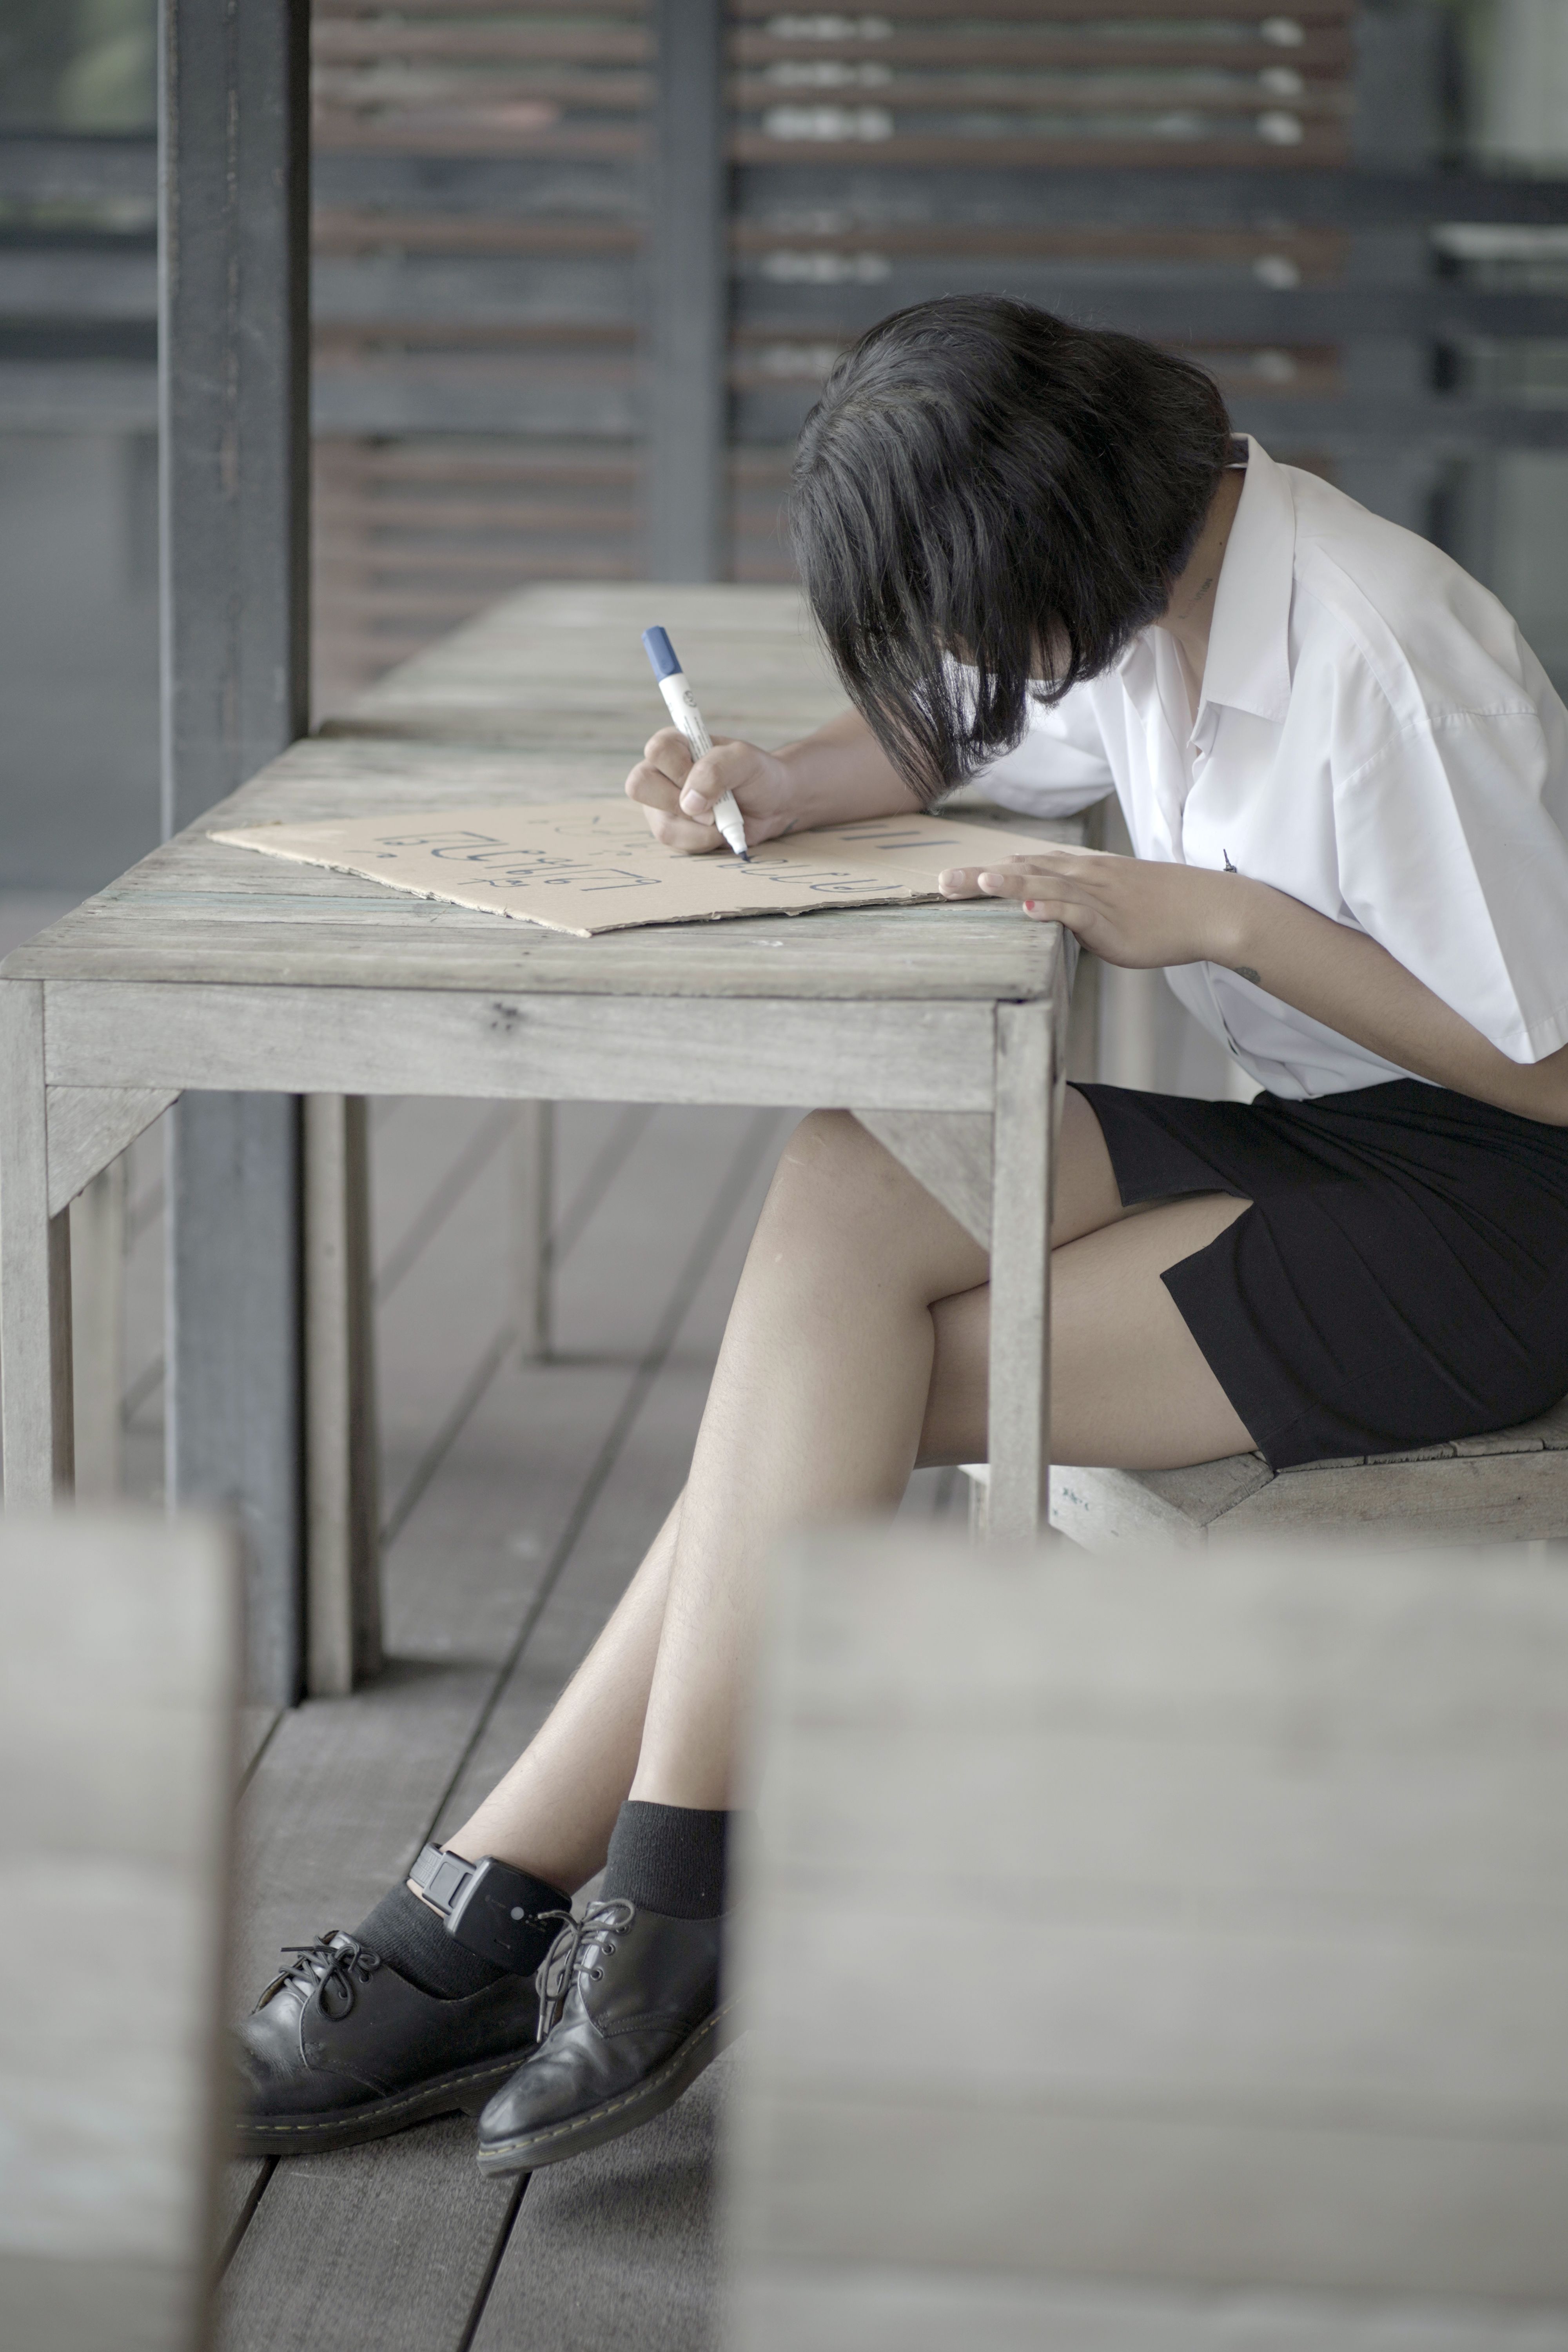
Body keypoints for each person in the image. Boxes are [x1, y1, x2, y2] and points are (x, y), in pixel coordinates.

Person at [236, 298, 1568, 2174]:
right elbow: (968, 744)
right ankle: (619, 1901)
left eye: (960, 606)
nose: (954, 652)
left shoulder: (1384, 656)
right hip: (1342, 1151)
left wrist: (1231, 925)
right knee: (854, 1177)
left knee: (825, 1403)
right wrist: (775, 778)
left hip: (1508, 1219)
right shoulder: (1163, 583)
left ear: (1064, 538)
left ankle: (509, 1914)